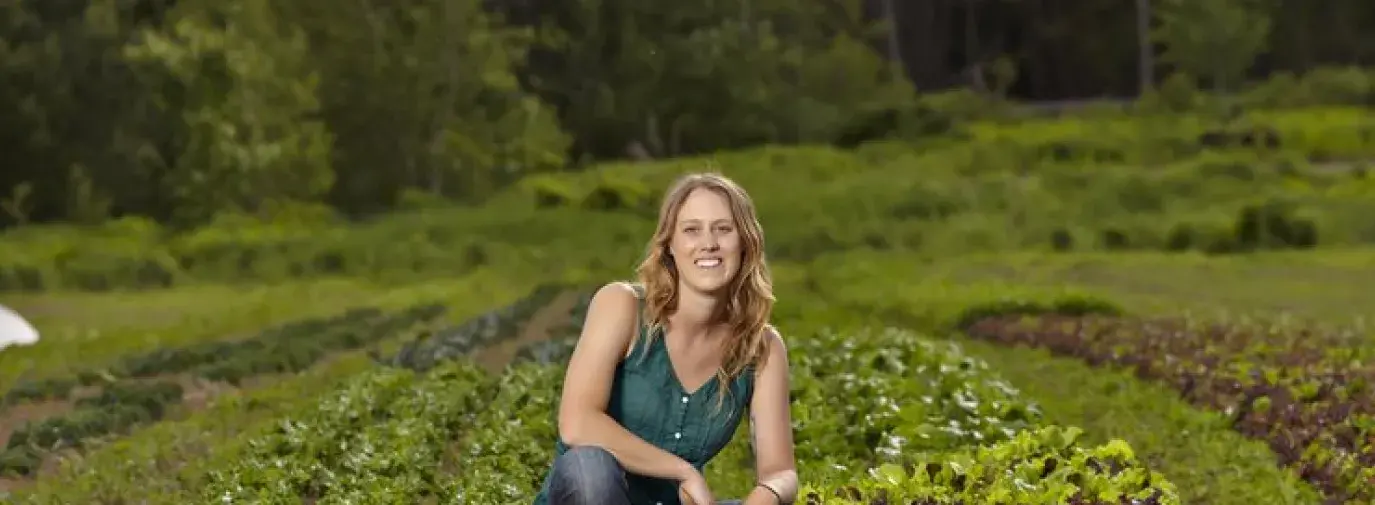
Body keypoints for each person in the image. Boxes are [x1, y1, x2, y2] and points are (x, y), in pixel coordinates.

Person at [531, 172, 798, 505]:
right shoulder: (622, 306)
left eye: (723, 229)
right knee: (592, 467)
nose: (709, 243)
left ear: (745, 242)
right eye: (691, 230)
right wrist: (682, 471)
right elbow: (577, 424)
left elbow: (781, 471)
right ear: (669, 244)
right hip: (589, 496)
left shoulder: (762, 347)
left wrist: (766, 496)